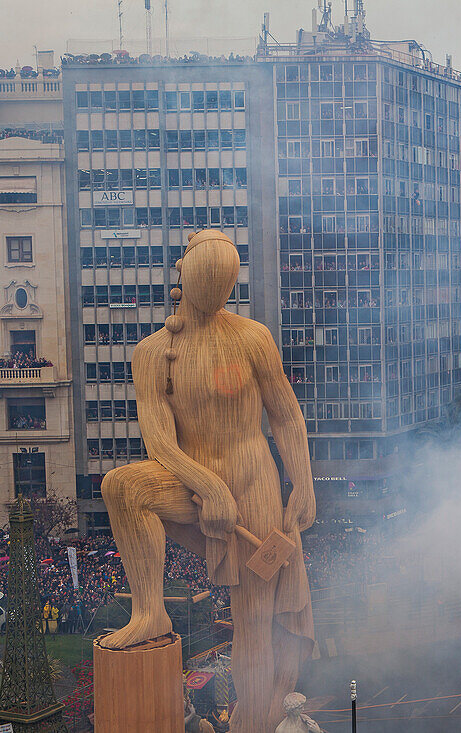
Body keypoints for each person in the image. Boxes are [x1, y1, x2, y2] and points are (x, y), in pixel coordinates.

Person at [99, 230, 316, 733]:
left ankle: (256, 721)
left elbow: (285, 415)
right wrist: (208, 486)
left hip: (255, 483)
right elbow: (158, 440)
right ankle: (150, 609)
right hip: (192, 482)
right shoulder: (154, 353)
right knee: (123, 487)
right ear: (186, 276)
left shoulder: (252, 337)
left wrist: (302, 484)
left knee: (255, 621)